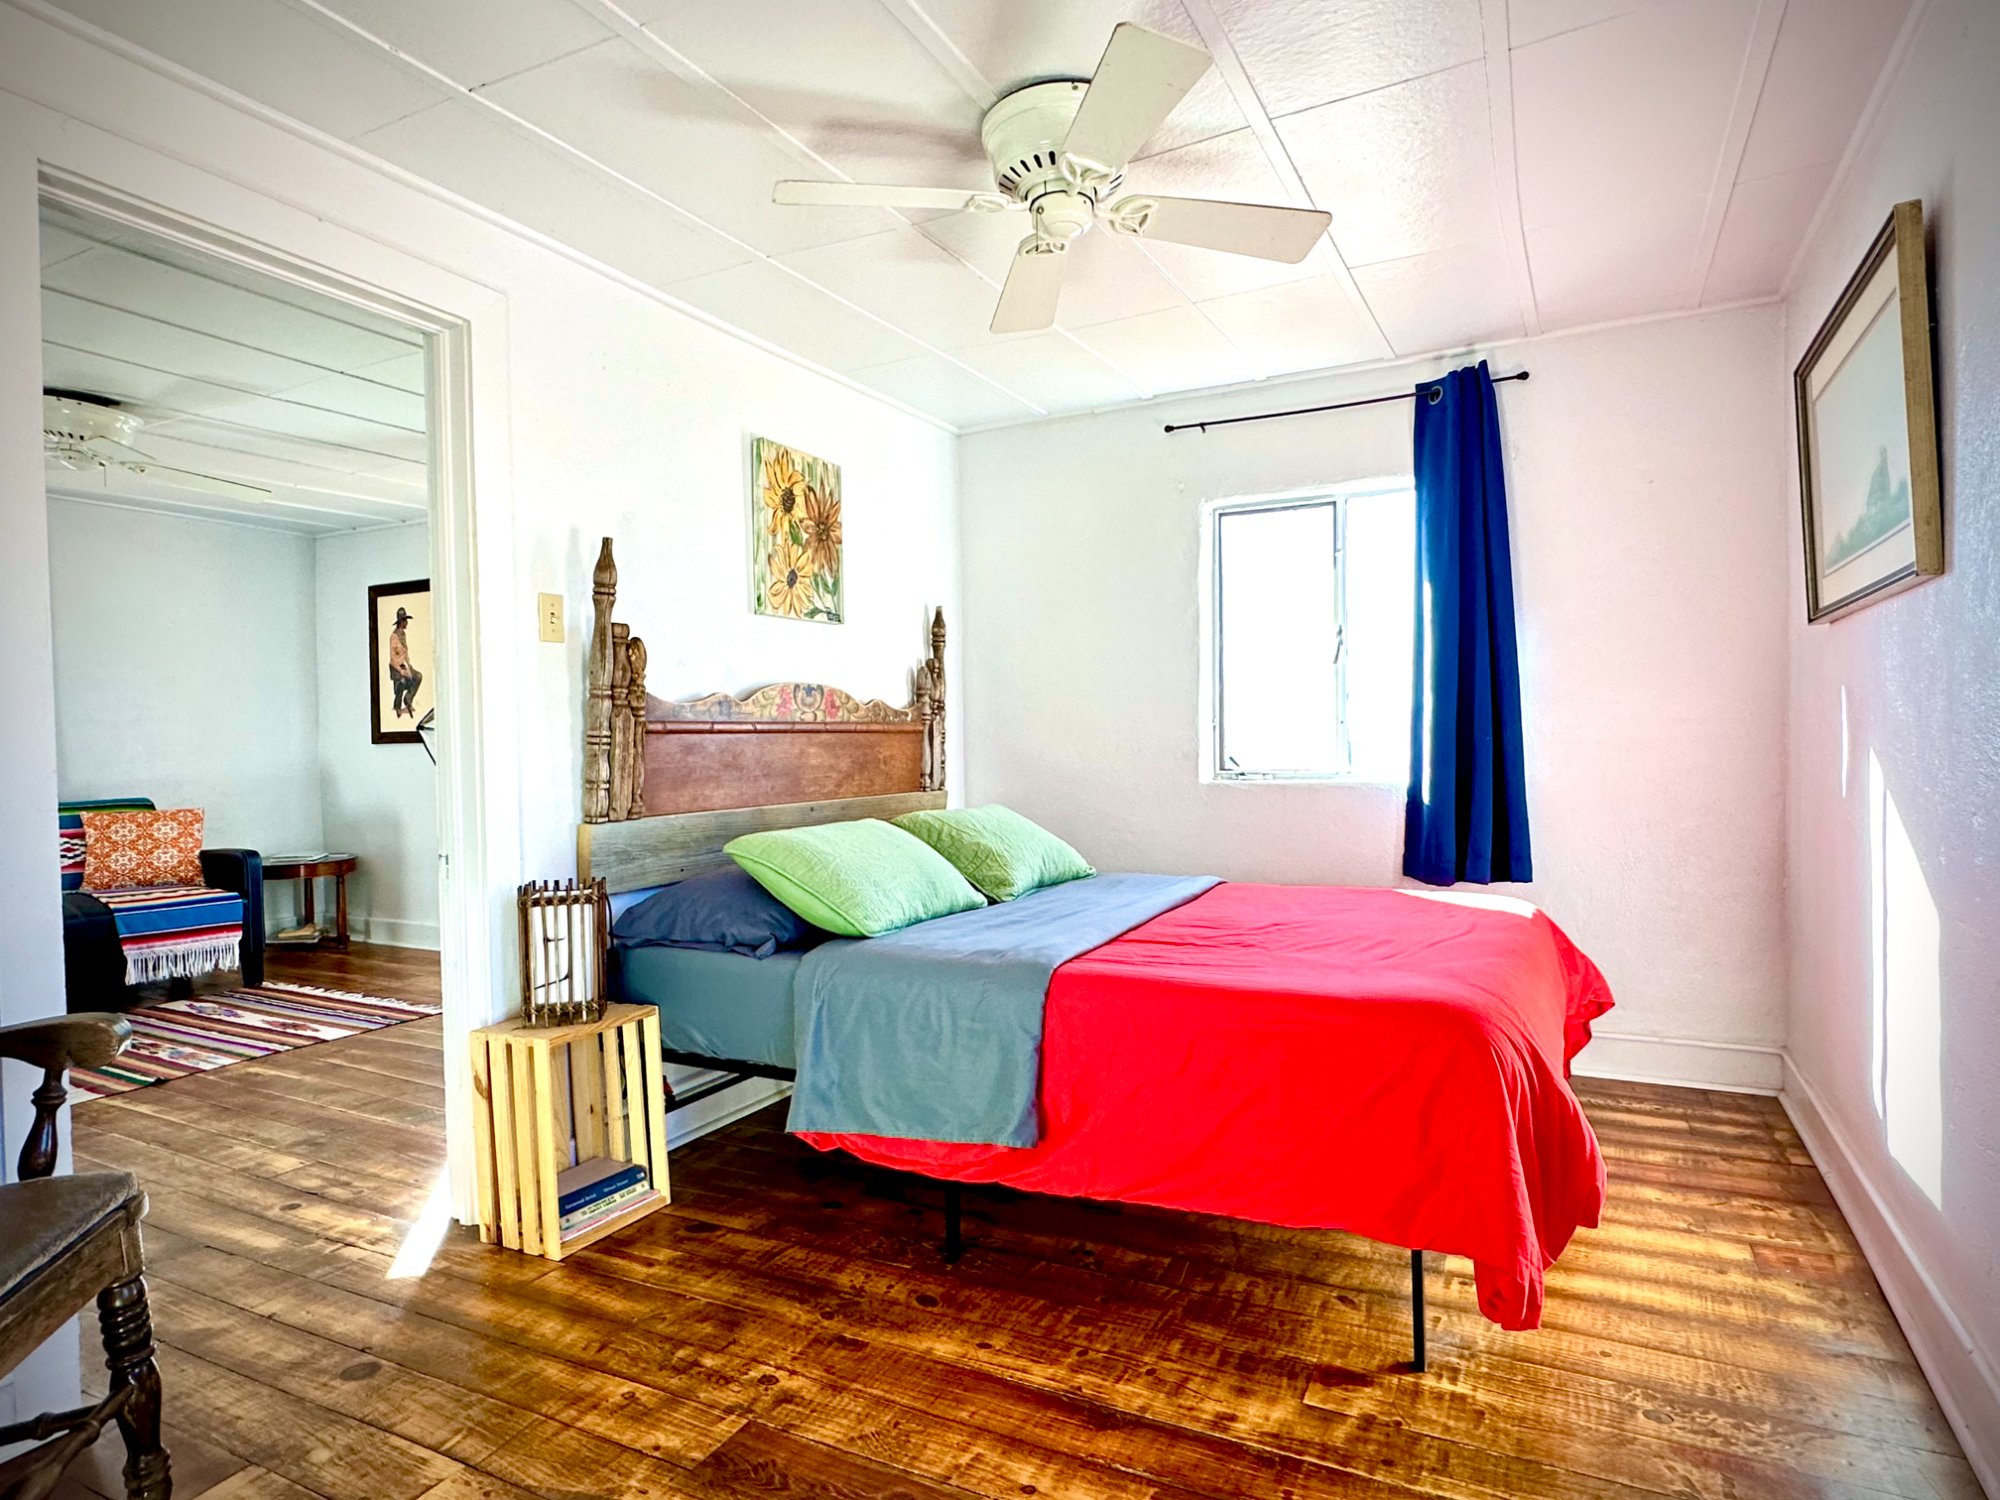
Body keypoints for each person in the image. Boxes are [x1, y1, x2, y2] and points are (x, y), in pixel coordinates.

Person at [389, 605, 423, 718]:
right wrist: (402, 670)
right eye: (405, 620)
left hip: (405, 666)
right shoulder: (394, 637)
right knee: (403, 681)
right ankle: (397, 705)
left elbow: (405, 653)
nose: (407, 623)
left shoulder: (403, 634)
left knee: (418, 676)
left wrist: (409, 666)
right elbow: (394, 659)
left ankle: (408, 699)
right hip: (397, 668)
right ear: (401, 622)